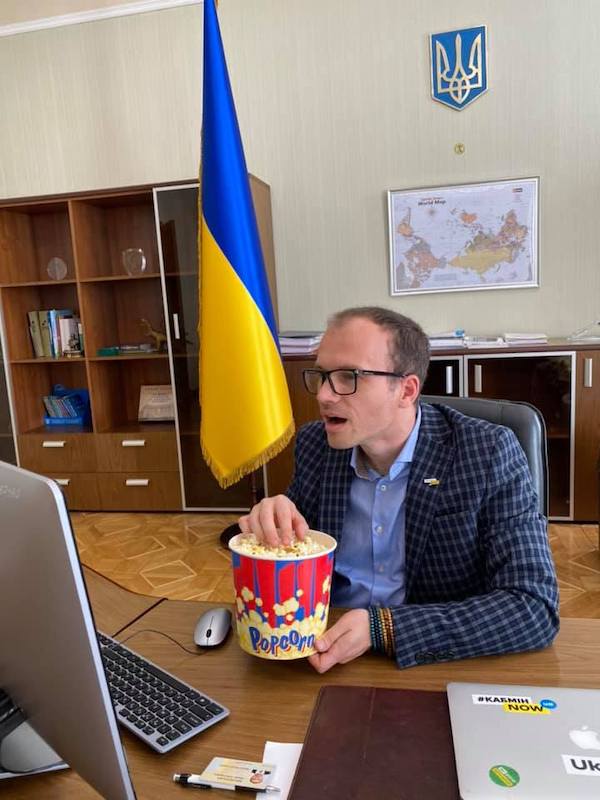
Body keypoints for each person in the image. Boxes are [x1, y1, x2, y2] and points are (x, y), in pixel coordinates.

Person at [238, 307, 559, 673]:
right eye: (322, 375)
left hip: (433, 661)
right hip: (323, 648)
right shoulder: (316, 445)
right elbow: (296, 560)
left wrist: (383, 629)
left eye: (348, 377)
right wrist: (272, 523)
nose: (324, 395)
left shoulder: (487, 452)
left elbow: (533, 606)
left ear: (406, 390)